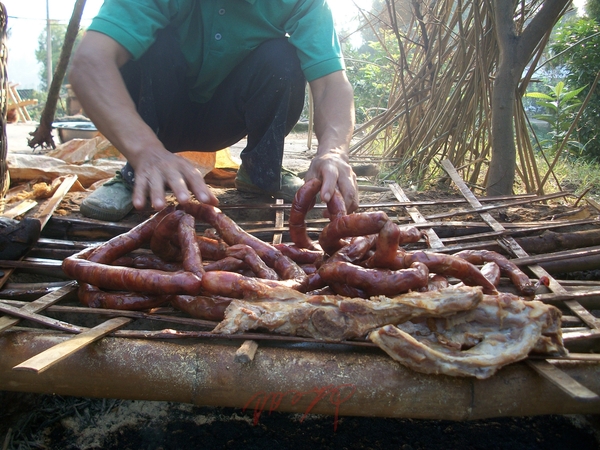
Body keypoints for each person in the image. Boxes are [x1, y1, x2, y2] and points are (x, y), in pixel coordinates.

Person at [69, 0, 359, 222]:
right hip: (159, 113)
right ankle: (136, 173)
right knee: (151, 43)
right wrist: (145, 150)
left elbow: (331, 84)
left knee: (282, 57)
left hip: (226, 120)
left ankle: (262, 172)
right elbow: (90, 62)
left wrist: (333, 151)